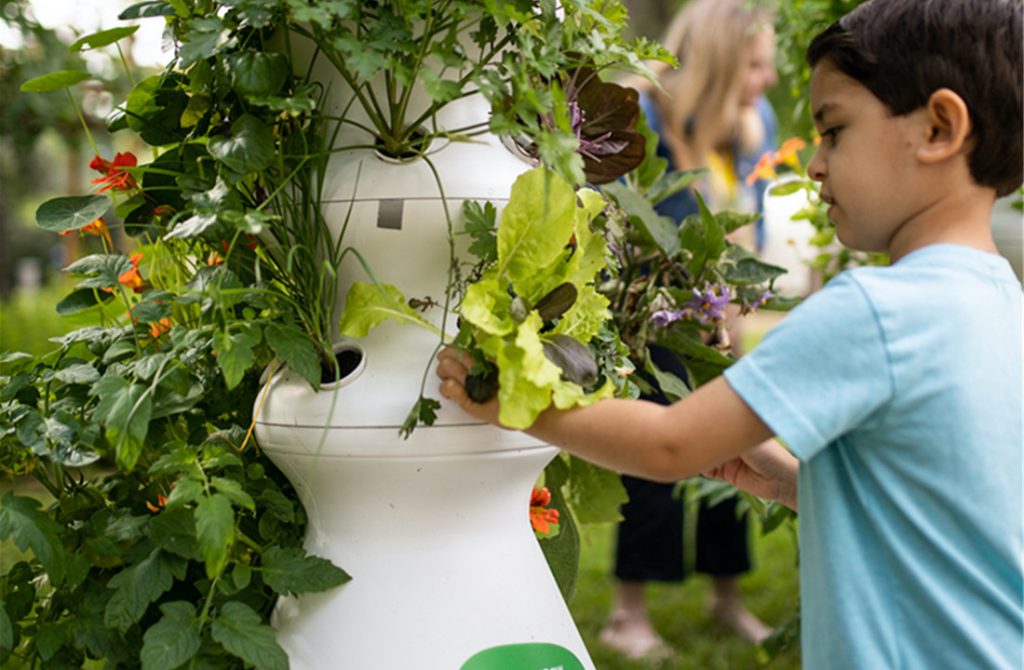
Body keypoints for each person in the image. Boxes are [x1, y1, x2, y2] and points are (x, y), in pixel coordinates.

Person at [438, 0, 1024, 667]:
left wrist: (517, 403)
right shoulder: (1003, 307)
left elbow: (668, 444)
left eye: (834, 130)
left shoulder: (877, 311)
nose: (816, 164)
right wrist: (795, 484)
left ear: (939, 127)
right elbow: (947, 514)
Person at [600, 0, 780, 658]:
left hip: (718, 326)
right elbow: (621, 227)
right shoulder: (645, 119)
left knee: (735, 459)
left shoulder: (754, 122)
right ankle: (628, 615)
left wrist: (733, 321)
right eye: (756, 64)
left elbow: (748, 230)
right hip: (653, 323)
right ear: (721, 58)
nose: (765, 79)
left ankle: (726, 598)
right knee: (655, 465)